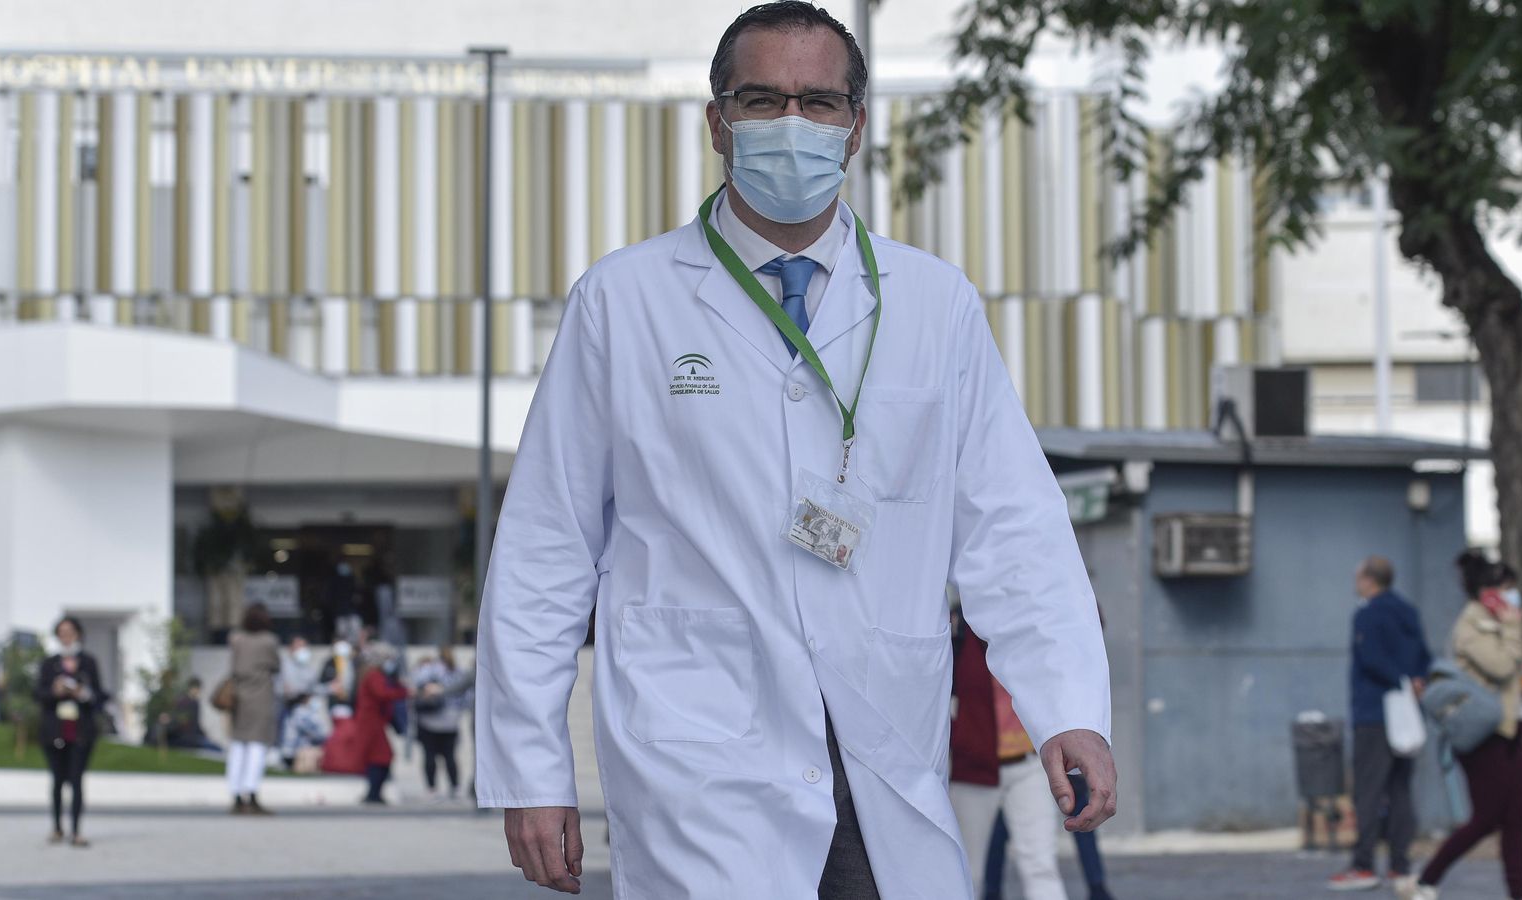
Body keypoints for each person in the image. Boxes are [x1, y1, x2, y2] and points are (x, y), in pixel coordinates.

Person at [474, 3, 1114, 896]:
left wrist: (1067, 708)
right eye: (761, 99)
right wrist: (529, 769)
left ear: (855, 127)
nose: (791, 125)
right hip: (699, 752)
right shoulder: (624, 302)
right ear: (716, 123)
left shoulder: (935, 305)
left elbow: (1013, 525)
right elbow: (547, 546)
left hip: (882, 733)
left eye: (819, 102)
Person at [1405, 553, 1522, 900]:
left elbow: (1514, 676)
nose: (1512, 597)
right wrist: (1512, 626)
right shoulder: (1470, 626)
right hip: (1483, 734)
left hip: (1512, 728)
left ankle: (1520, 893)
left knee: (1515, 817)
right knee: (1488, 817)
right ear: (1486, 592)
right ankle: (1425, 881)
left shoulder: (1499, 624)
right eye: (1506, 590)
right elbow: (1501, 666)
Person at [1326, 556, 1431, 892]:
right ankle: (1400, 865)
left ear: (1369, 579)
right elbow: (1424, 656)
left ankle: (1363, 865)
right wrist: (1414, 681)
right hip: (1408, 713)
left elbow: (1370, 658)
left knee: (1368, 790)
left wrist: (1395, 678)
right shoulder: (1407, 611)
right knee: (1400, 788)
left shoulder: (1367, 614)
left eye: (1358, 575)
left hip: (1374, 713)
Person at [950, 612, 1070, 900]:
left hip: (1029, 764)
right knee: (965, 872)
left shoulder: (1032, 631)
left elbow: (1086, 622)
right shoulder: (960, 635)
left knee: (1041, 866)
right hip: (973, 769)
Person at [35, 616, 107, 847]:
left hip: (80, 731)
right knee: (57, 780)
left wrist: (81, 694)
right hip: (55, 730)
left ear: (78, 633)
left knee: (76, 780)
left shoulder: (88, 662)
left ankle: (76, 831)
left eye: (71, 631)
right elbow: (38, 694)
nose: (66, 636)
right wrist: (54, 691)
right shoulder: (49, 664)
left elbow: (99, 696)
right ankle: (57, 827)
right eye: (62, 632)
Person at [226, 602, 281, 815]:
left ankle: (237, 793)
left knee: (238, 746)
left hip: (239, 696)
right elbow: (276, 665)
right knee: (257, 746)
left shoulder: (237, 639)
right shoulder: (268, 641)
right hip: (261, 696)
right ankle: (252, 792)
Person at [415, 645, 475, 801]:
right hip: (451, 721)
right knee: (450, 756)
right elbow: (466, 697)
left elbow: (418, 685)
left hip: (430, 720)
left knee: (430, 755)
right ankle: (455, 787)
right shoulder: (459, 672)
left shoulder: (430, 670)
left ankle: (432, 788)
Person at [354, 642, 410, 805]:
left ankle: (374, 792)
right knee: (381, 757)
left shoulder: (372, 674)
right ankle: (373, 793)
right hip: (371, 722)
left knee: (380, 757)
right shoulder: (373, 675)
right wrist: (403, 691)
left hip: (374, 722)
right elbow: (383, 693)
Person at [166, 677, 222, 753]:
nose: (199, 691)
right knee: (217, 749)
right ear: (192, 688)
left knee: (216, 747)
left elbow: (196, 724)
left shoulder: (193, 702)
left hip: (193, 737)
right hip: (186, 738)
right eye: (198, 688)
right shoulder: (184, 702)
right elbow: (182, 722)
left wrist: (204, 734)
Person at [320, 637, 359, 720]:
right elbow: (321, 681)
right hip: (334, 702)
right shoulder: (329, 663)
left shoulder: (355, 664)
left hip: (350, 703)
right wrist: (330, 686)